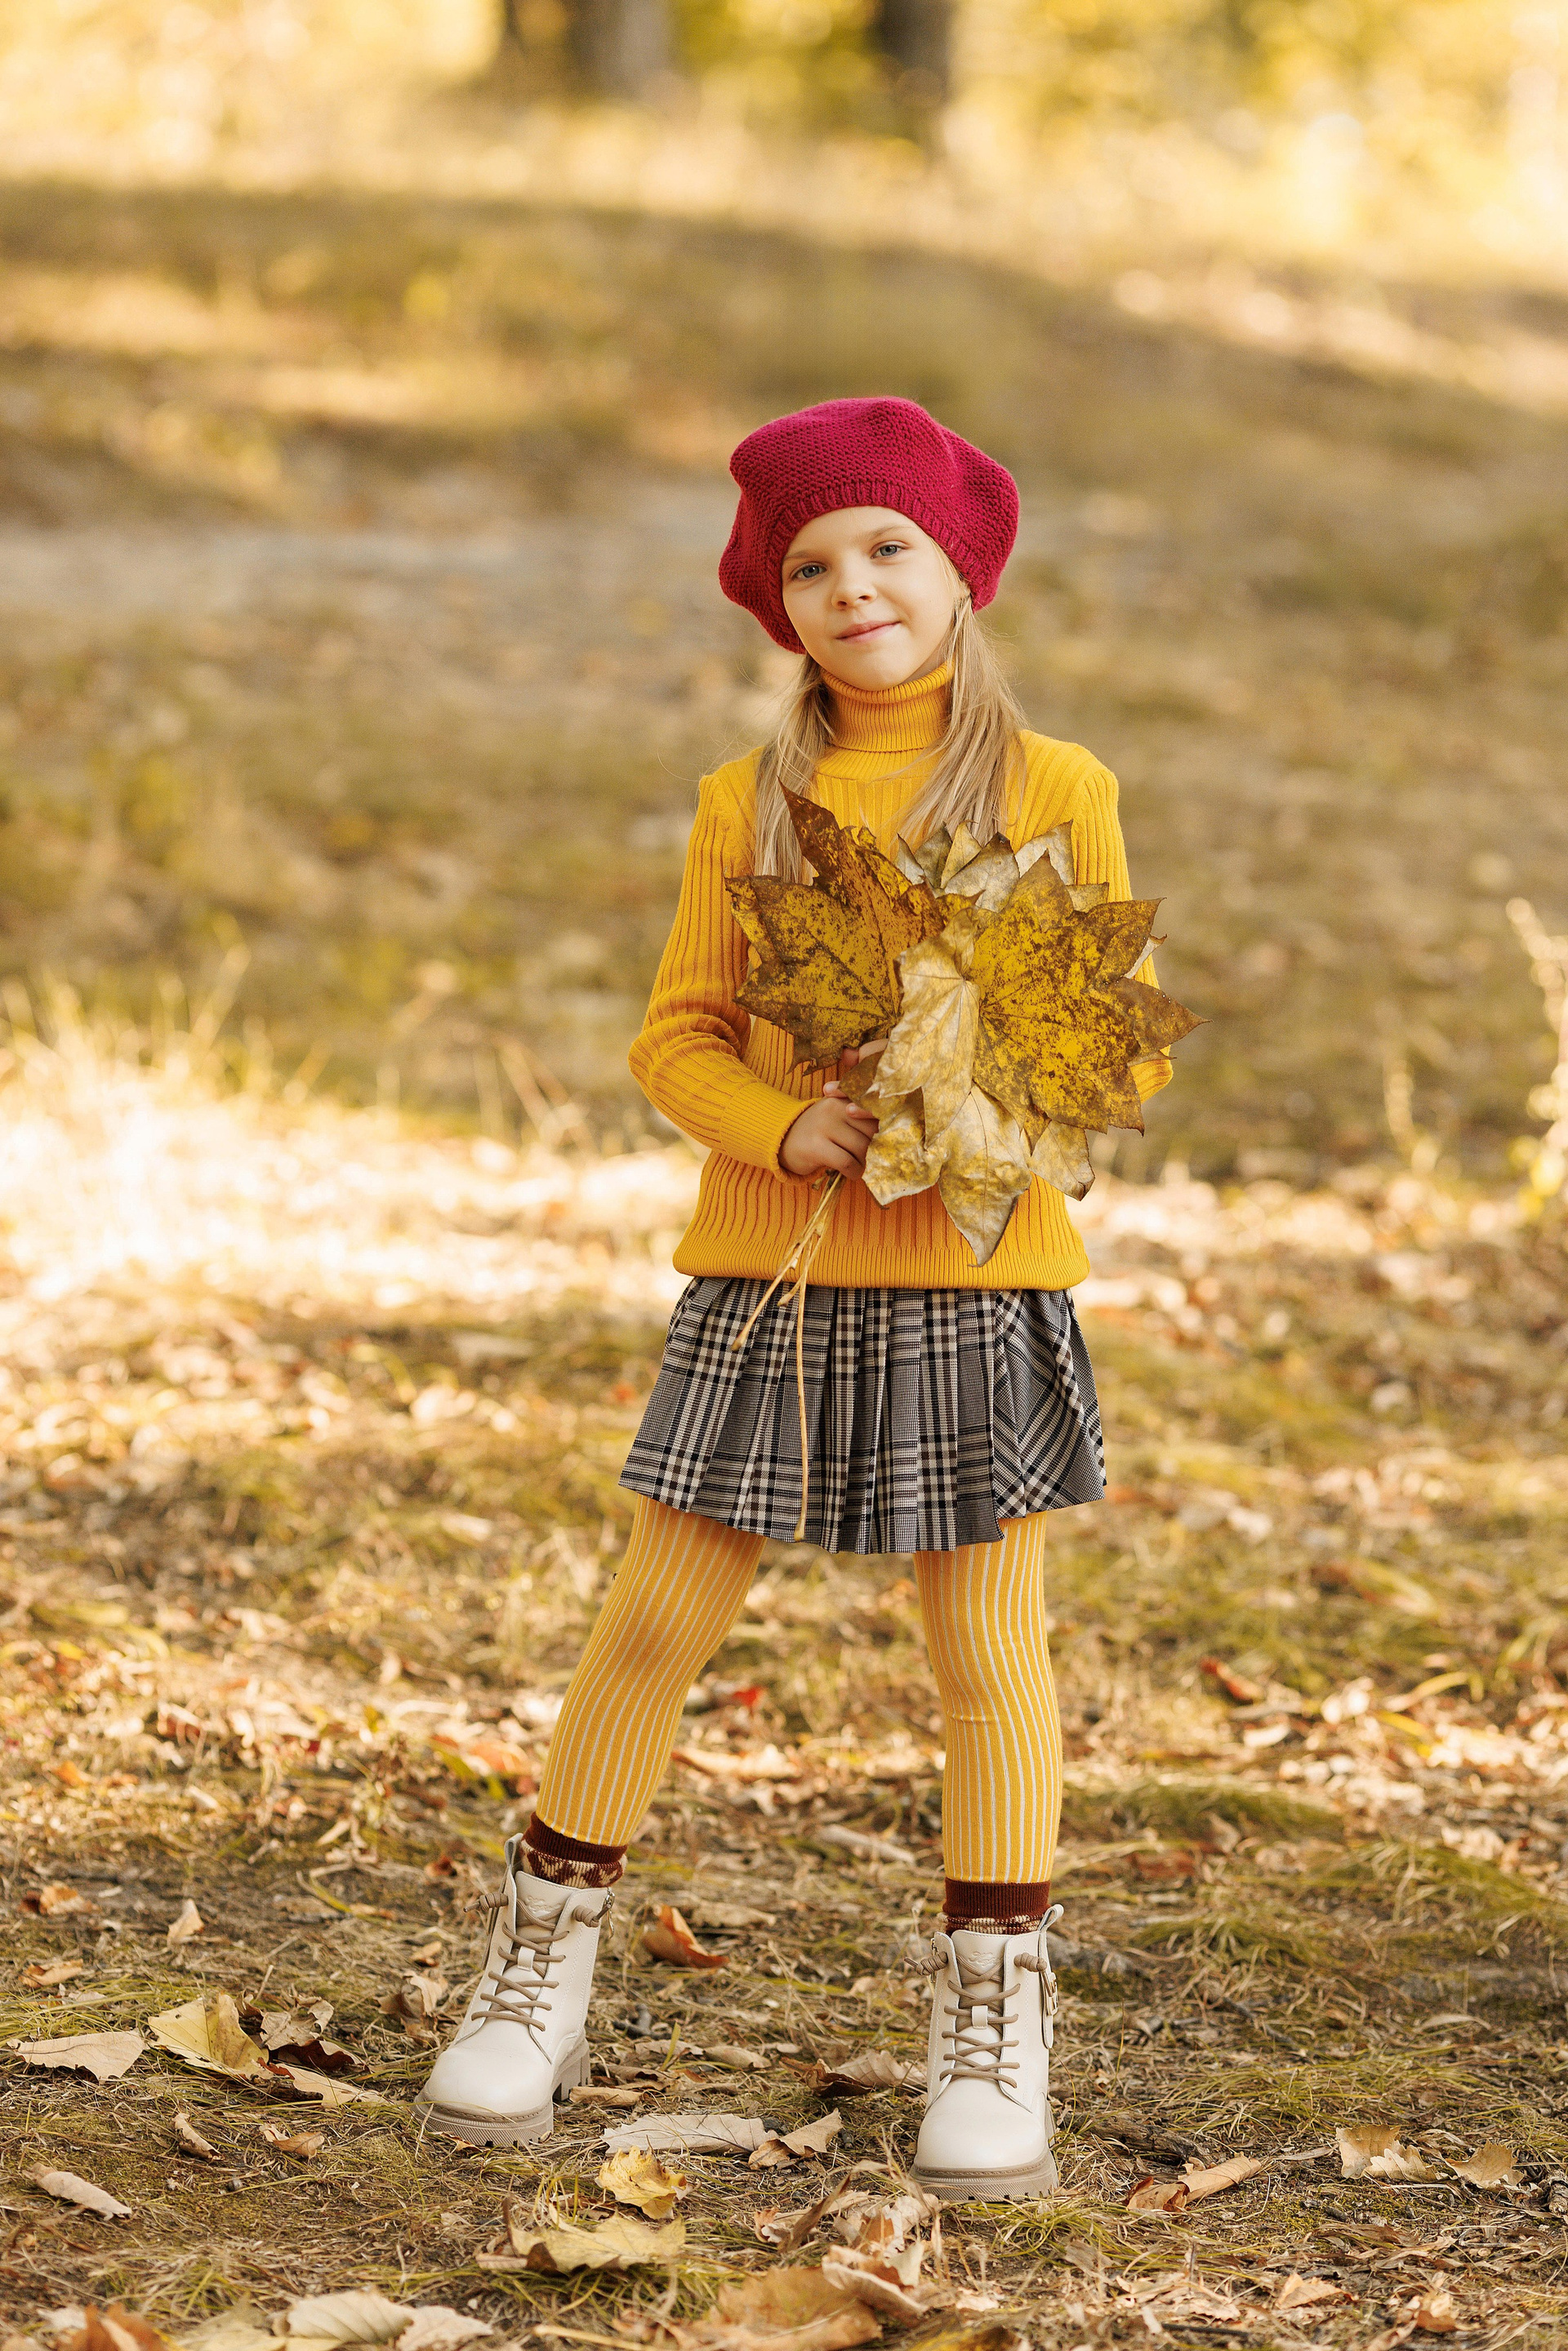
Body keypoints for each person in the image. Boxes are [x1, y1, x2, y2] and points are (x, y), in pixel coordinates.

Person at [416, 397, 1173, 2200]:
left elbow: (1112, 1051)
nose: (855, 588)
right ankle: (540, 1967)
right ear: (780, 604)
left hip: (971, 1274)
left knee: (986, 1653)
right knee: (655, 1618)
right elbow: (674, 1037)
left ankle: (995, 2010)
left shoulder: (1054, 788)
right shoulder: (746, 805)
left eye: (887, 548)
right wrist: (784, 1123)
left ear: (958, 566)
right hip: (776, 1265)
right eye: (813, 566)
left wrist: (972, 1071)